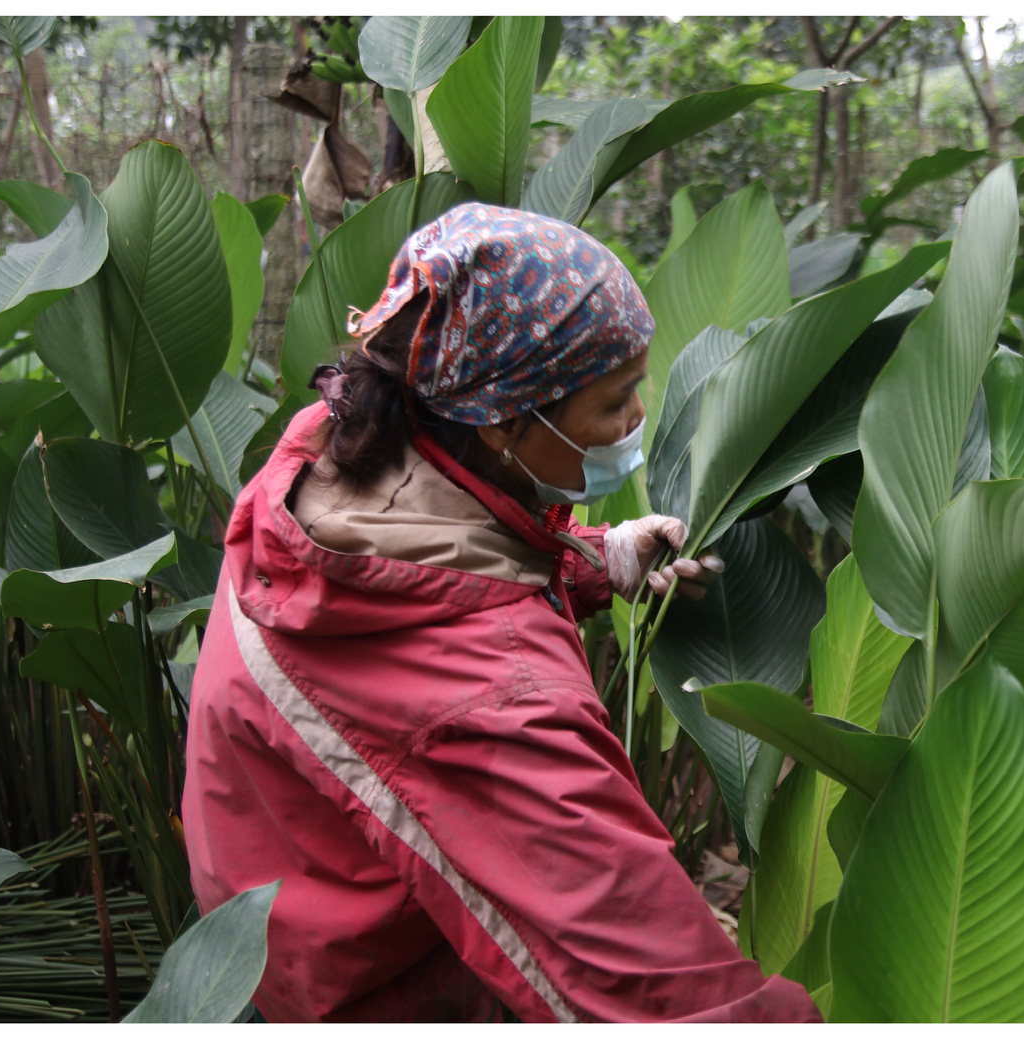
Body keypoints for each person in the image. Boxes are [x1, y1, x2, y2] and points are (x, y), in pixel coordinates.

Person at [182, 203, 821, 1022]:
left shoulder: (332, 453)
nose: (639, 422)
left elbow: (437, 560)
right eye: (615, 401)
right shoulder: (492, 701)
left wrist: (595, 558)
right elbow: (666, 994)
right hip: (385, 989)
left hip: (287, 918)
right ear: (506, 418)